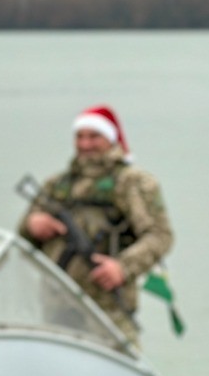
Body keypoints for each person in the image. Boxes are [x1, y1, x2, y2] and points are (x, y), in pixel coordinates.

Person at [18, 104, 173, 346]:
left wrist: (122, 268)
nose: (85, 144)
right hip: (56, 309)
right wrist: (32, 225)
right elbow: (22, 240)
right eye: (80, 136)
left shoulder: (132, 183)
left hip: (108, 308)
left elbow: (160, 236)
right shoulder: (57, 184)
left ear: (111, 139)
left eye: (94, 137)